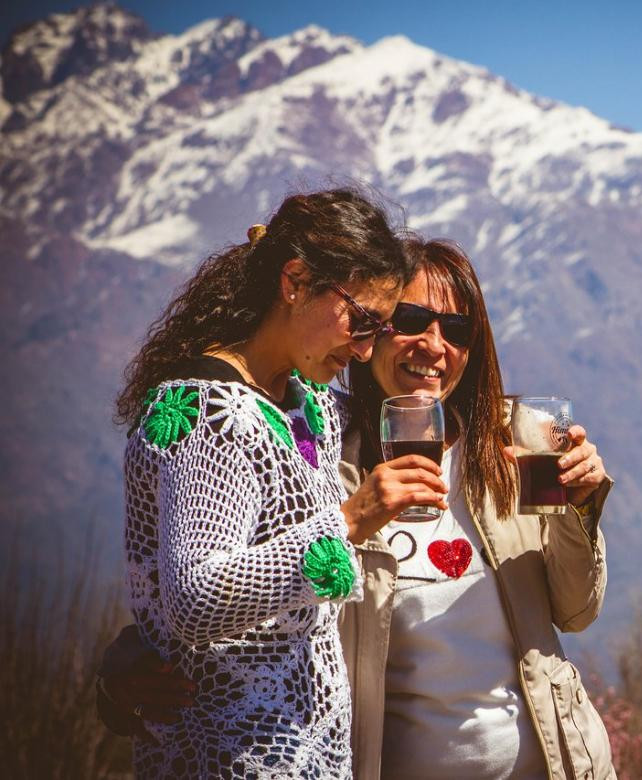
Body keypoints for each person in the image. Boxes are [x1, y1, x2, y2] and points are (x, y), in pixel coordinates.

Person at [102, 234, 616, 779]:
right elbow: (232, 581)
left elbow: (577, 610)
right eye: (411, 319)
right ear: (371, 330)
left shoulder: (515, 444)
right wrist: (128, 661)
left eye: (458, 329)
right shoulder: (322, 458)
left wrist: (579, 508)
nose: (434, 345)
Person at [112, 189, 440, 778]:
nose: (366, 350)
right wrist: (348, 521)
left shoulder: (308, 404)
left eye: (379, 329)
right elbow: (194, 598)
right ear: (294, 281)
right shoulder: (206, 413)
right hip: (225, 759)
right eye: (361, 321)